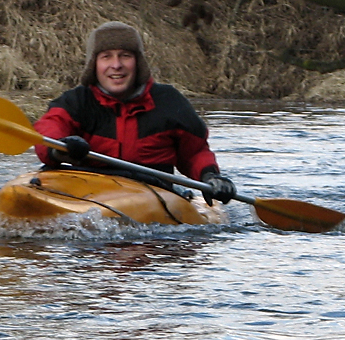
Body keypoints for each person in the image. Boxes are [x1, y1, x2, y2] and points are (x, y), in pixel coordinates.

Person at [32, 21, 236, 206]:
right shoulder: (76, 101)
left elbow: (195, 152)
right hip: (89, 191)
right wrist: (60, 148)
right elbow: (49, 128)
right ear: (94, 65)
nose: (116, 65)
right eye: (106, 56)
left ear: (138, 62)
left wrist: (210, 176)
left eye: (125, 56)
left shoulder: (170, 102)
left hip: (153, 195)